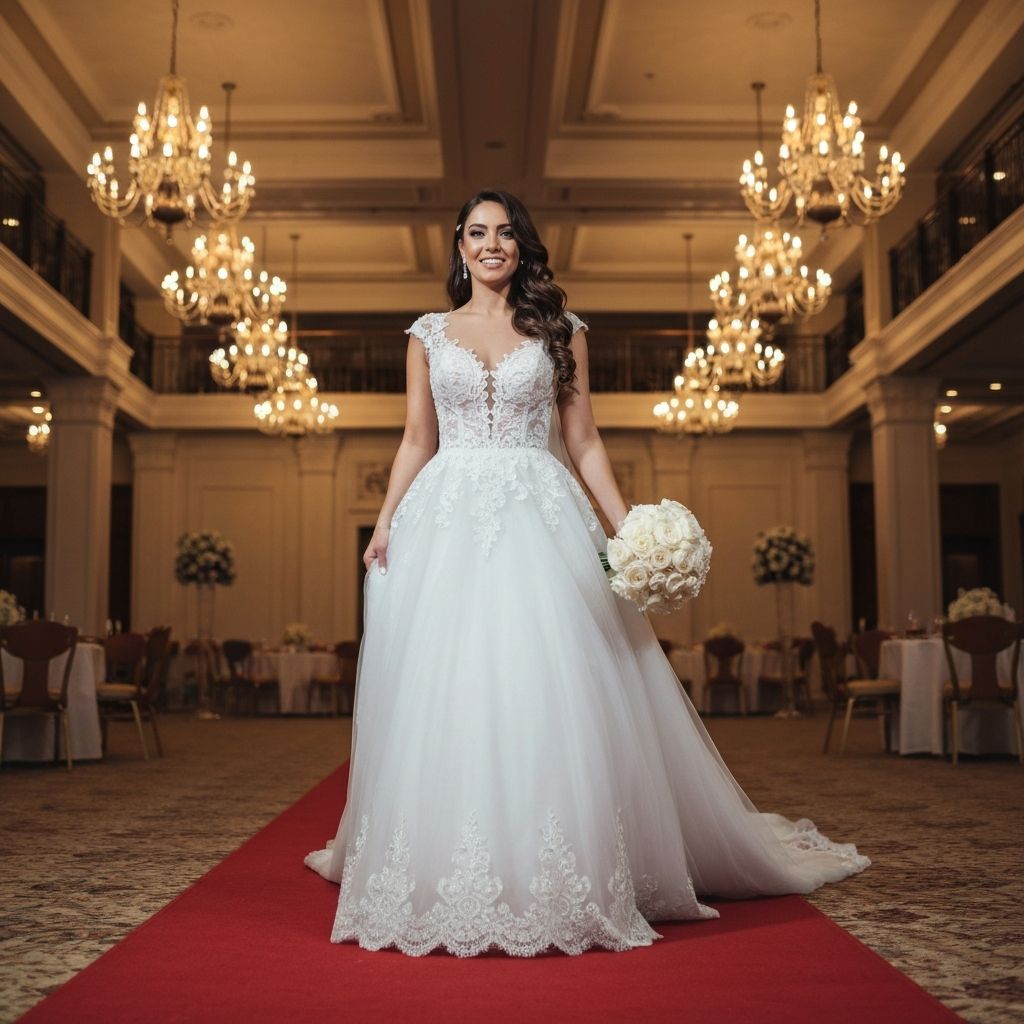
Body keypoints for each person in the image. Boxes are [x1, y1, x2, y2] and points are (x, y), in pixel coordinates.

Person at [305, 188, 867, 957]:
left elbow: (586, 441)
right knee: (452, 685)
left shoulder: (561, 329)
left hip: (540, 510)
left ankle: (559, 859)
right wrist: (384, 519)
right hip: (448, 515)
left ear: (522, 245)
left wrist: (627, 524)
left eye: (505, 232)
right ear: (459, 248)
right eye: (477, 233)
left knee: (551, 679)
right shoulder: (428, 334)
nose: (492, 244)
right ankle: (446, 859)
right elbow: (414, 438)